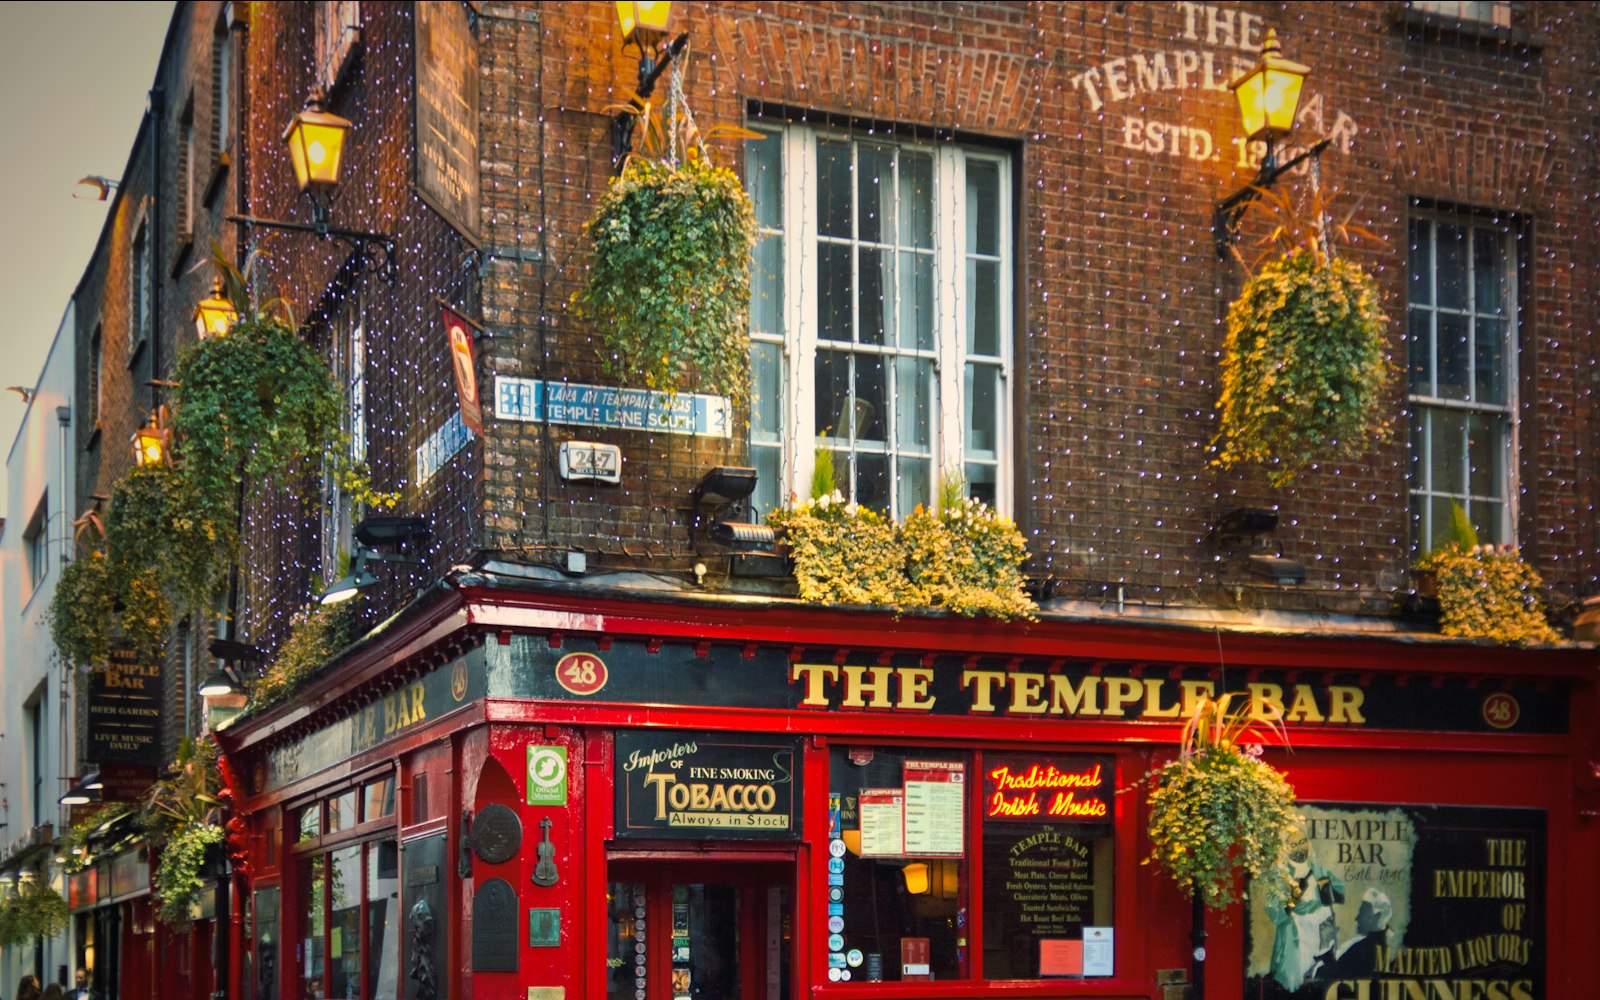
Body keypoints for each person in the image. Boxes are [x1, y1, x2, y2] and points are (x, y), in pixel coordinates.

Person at [1266, 827, 1346, 993]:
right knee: (1297, 981)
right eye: (1293, 844)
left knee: (1322, 979)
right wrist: (1295, 896)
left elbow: (1341, 894)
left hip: (1321, 932)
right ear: (1285, 848)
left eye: (1302, 842)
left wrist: (1328, 890)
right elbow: (1276, 915)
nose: (1300, 847)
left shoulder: (1318, 869)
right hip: (1297, 934)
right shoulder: (1279, 876)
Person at [1327, 888, 1394, 980]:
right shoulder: (1383, 947)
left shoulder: (1361, 949)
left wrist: (1325, 942)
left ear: (1376, 916)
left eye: (1362, 912)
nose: (1356, 918)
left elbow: (1332, 976)